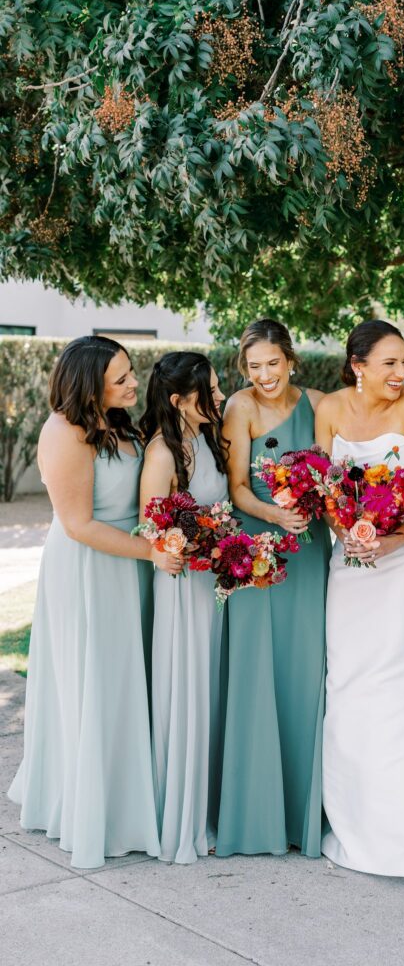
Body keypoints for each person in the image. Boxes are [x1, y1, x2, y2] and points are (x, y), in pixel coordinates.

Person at [8, 336, 179, 869]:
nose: (134, 384)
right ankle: (93, 808)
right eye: (122, 378)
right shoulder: (64, 431)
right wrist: (151, 552)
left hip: (132, 560)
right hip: (89, 568)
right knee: (97, 682)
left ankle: (130, 797)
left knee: (129, 679)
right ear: (89, 382)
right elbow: (79, 524)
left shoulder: (121, 423)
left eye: (131, 373)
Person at [316, 320, 404, 879]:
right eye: (389, 363)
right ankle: (353, 823)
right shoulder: (329, 410)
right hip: (350, 566)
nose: (402, 373)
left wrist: (396, 536)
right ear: (357, 364)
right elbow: (321, 486)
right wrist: (347, 530)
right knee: (349, 681)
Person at [216, 319, 329, 858]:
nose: (265, 375)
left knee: (304, 670)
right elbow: (237, 486)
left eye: (273, 364)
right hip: (259, 552)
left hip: (309, 555)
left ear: (291, 359)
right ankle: (253, 812)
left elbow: (335, 477)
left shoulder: (321, 404)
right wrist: (274, 514)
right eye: (254, 366)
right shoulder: (238, 409)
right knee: (256, 671)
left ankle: (302, 814)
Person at [139, 352, 228, 864]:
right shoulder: (163, 454)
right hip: (183, 590)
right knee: (187, 690)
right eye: (209, 392)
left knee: (210, 689)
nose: (218, 398)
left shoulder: (204, 440)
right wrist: (201, 546)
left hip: (209, 589)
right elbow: (153, 530)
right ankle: (181, 815)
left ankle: (209, 802)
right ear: (179, 400)